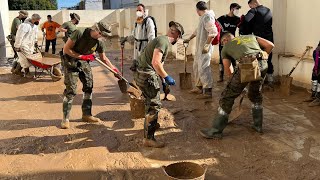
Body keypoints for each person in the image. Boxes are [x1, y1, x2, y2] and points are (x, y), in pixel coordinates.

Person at [200, 33, 274, 139]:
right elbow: (270, 45)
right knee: (255, 94)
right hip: (263, 64)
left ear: (225, 40)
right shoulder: (250, 37)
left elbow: (228, 70)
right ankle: (258, 126)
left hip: (246, 64)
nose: (222, 45)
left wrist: (236, 85)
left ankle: (215, 131)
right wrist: (261, 59)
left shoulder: (225, 48)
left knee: (227, 96)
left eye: (222, 42)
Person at [132, 21, 184, 148]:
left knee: (149, 101)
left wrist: (163, 79)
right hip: (147, 76)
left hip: (141, 73)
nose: (178, 40)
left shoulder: (159, 39)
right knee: (154, 106)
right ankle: (148, 139)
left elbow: (157, 64)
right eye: (179, 37)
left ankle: (152, 124)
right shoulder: (164, 42)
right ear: (176, 34)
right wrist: (167, 77)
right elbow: (156, 63)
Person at [61, 21, 120, 129]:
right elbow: (66, 49)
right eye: (102, 34)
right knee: (71, 90)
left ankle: (86, 114)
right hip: (70, 62)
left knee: (88, 87)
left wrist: (114, 69)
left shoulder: (99, 42)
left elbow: (104, 58)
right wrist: (82, 56)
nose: (102, 37)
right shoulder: (79, 32)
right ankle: (65, 119)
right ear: (97, 30)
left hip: (84, 63)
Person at [184, 1, 218, 98]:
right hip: (200, 48)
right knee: (197, 66)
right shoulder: (203, 17)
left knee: (204, 68)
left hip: (205, 48)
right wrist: (189, 38)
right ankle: (198, 87)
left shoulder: (207, 16)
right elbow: (197, 30)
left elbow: (213, 31)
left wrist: (207, 45)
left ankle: (207, 91)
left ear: (198, 10)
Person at [240, 0, 274, 87]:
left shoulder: (253, 11)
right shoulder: (268, 10)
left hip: (259, 41)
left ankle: (258, 83)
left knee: (258, 61)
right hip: (269, 40)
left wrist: (243, 27)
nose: (250, 8)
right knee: (268, 59)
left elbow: (246, 22)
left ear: (253, 3)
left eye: (250, 6)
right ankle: (270, 81)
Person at [216, 3, 241, 82]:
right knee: (222, 58)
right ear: (232, 9)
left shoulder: (238, 19)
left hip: (232, 43)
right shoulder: (222, 19)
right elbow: (216, 27)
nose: (237, 11)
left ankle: (233, 76)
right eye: (237, 10)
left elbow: (242, 28)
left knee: (233, 58)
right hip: (223, 42)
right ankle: (221, 75)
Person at [13, 14, 41, 78]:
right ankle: (27, 73)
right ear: (33, 19)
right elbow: (19, 36)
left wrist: (36, 42)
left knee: (23, 58)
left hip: (30, 45)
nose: (38, 22)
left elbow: (35, 35)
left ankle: (17, 70)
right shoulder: (24, 26)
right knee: (26, 59)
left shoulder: (34, 26)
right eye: (38, 20)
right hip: (23, 44)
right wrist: (17, 46)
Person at [306, 42, 320, 107]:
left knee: (319, 83)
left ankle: (318, 98)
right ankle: (313, 95)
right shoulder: (316, 51)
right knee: (314, 79)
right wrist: (316, 68)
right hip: (317, 65)